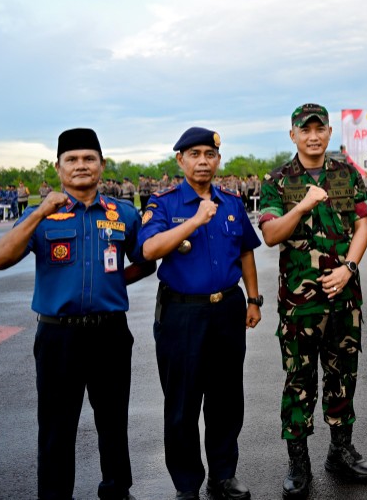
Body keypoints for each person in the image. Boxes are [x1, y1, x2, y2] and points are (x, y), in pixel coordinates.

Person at [0, 128, 156, 500]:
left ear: (101, 165)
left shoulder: (124, 214)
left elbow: (146, 262)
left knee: (112, 421)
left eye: (88, 158)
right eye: (72, 159)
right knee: (56, 425)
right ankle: (54, 494)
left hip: (109, 333)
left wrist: (110, 285)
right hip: (58, 337)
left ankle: (116, 490)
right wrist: (41, 212)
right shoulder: (41, 215)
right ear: (58, 167)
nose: (81, 165)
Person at [258, 103, 367, 499]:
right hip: (300, 304)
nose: (312, 135)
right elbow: (272, 234)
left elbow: (362, 226)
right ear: (292, 135)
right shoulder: (277, 181)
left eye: (319, 128)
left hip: (344, 298)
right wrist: (305, 203)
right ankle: (298, 461)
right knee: (299, 381)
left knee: (343, 377)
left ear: (329, 133)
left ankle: (341, 451)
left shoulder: (348, 174)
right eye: (304, 129)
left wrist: (349, 267)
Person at [139, 127, 263, 500]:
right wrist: (195, 220)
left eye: (209, 154)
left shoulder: (231, 202)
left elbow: (245, 251)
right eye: (194, 154)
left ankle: (223, 475)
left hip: (226, 308)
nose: (203, 161)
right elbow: (149, 250)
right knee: (182, 403)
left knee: (226, 399)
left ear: (218, 159)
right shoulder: (163, 203)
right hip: (182, 314)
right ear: (180, 160)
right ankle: (187, 484)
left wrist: (253, 299)